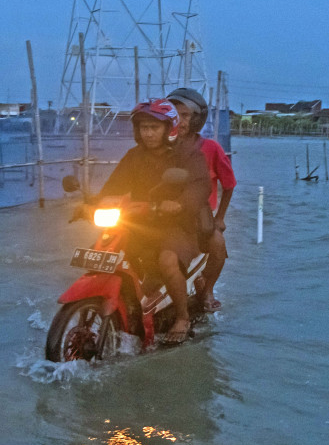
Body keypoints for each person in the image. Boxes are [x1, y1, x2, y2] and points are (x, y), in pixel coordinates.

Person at [85, 98, 213, 344]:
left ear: (169, 128)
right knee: (101, 252)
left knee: (167, 260)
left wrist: (180, 204)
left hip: (180, 223)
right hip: (140, 220)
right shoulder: (134, 156)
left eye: (154, 128)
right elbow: (113, 187)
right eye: (144, 128)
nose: (148, 133)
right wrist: (90, 204)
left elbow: (200, 185)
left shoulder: (187, 155)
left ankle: (182, 317)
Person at [166, 88, 237, 312]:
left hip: (200, 217)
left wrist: (220, 217)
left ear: (196, 119)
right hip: (163, 213)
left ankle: (207, 290)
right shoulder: (161, 147)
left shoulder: (211, 148)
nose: (179, 121)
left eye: (185, 115)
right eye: (174, 115)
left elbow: (229, 184)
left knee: (217, 245)